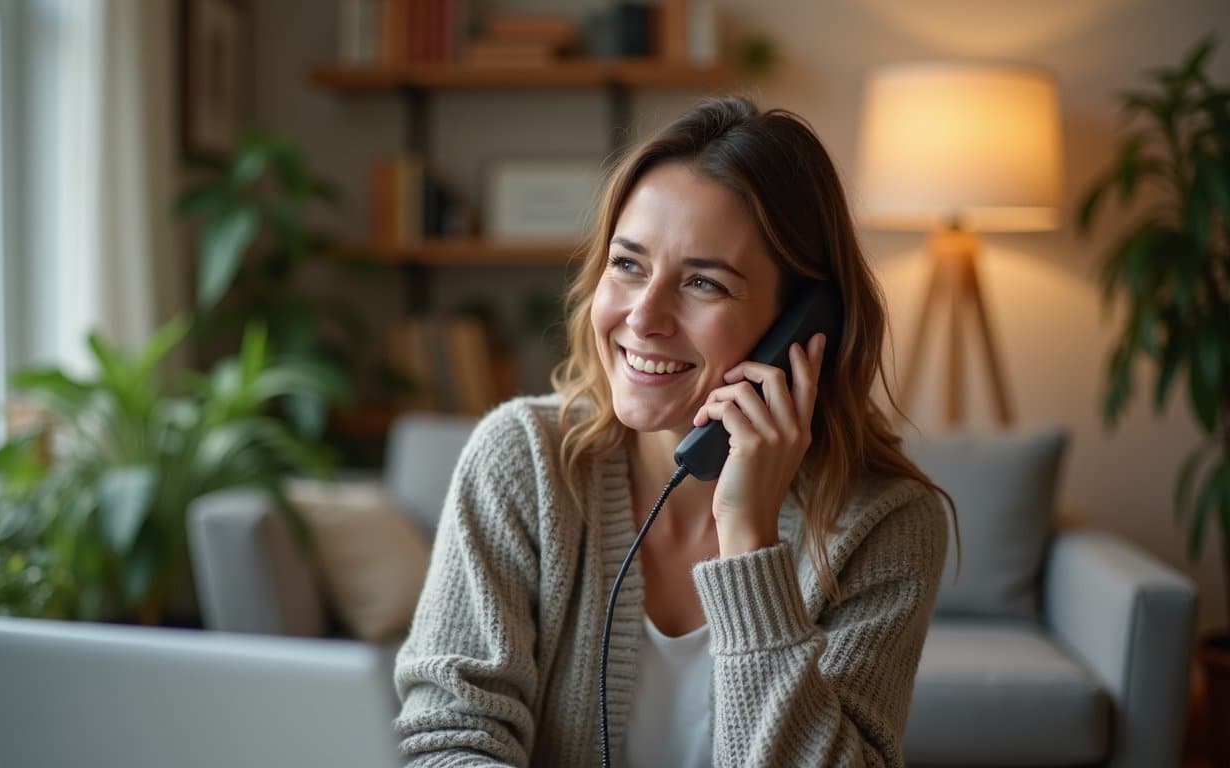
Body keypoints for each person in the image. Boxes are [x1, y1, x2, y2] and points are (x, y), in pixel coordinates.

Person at [392, 95, 955, 767]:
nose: (645, 316)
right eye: (628, 265)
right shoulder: (522, 460)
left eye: (704, 284)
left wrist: (749, 543)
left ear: (803, 325)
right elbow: (447, 742)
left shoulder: (887, 522)